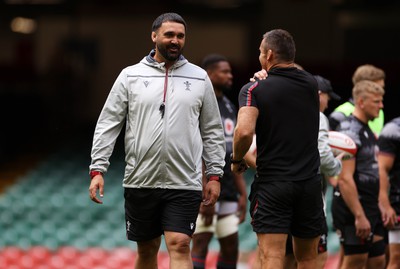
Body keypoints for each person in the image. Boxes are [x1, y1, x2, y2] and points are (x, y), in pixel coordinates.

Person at [87, 13, 226, 269]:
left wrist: (215, 175)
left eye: (180, 36)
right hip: (141, 180)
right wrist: (98, 169)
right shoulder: (130, 76)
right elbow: (108, 124)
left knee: (180, 243)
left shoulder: (199, 77)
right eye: (169, 35)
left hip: (185, 180)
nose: (175, 40)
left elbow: (212, 130)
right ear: (154, 36)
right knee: (148, 248)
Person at [231, 29, 324, 269]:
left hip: (274, 185)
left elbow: (243, 132)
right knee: (308, 258)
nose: (259, 56)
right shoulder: (311, 85)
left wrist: (237, 158)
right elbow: (293, 79)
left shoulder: (253, 90)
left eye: (261, 52)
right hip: (309, 184)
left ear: (269, 55)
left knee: (272, 256)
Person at [191, 54, 247, 269]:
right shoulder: (199, 103)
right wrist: (205, 188)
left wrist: (242, 192)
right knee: (201, 243)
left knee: (231, 246)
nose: (230, 76)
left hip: (229, 186)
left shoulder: (230, 106)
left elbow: (233, 152)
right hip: (204, 186)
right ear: (209, 74)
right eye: (224, 71)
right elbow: (198, 151)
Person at [331, 80, 386, 269]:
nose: (381, 106)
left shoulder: (367, 129)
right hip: (353, 208)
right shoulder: (349, 132)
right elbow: (345, 179)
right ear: (361, 102)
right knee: (355, 262)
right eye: (376, 102)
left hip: (371, 206)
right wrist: (359, 215)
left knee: (377, 260)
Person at [329, 64, 386, 136]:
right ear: (362, 86)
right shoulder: (340, 113)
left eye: (382, 87)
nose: (381, 91)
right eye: (376, 87)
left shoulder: (379, 112)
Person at [378, 117, 400, 269]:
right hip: (398, 202)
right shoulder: (393, 129)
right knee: (396, 258)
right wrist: (385, 204)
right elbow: (381, 170)